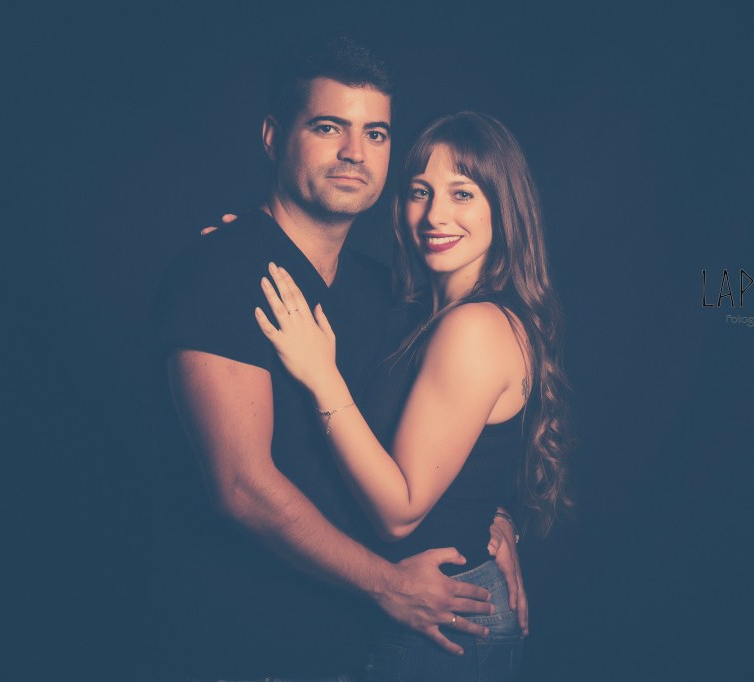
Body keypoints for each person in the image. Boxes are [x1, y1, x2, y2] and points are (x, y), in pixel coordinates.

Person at [154, 39, 524, 681]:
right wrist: (388, 584)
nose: (355, 152)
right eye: (328, 128)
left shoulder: (387, 293)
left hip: (365, 644)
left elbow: (433, 437)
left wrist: (492, 518)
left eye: (375, 133)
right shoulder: (220, 272)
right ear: (274, 136)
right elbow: (241, 488)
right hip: (255, 641)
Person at [255, 111, 574, 681]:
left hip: (443, 618)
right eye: (420, 192)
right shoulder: (424, 313)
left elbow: (398, 514)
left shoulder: (474, 326)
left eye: (462, 193)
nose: (435, 215)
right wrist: (248, 248)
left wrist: (321, 376)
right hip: (419, 607)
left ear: (503, 208)